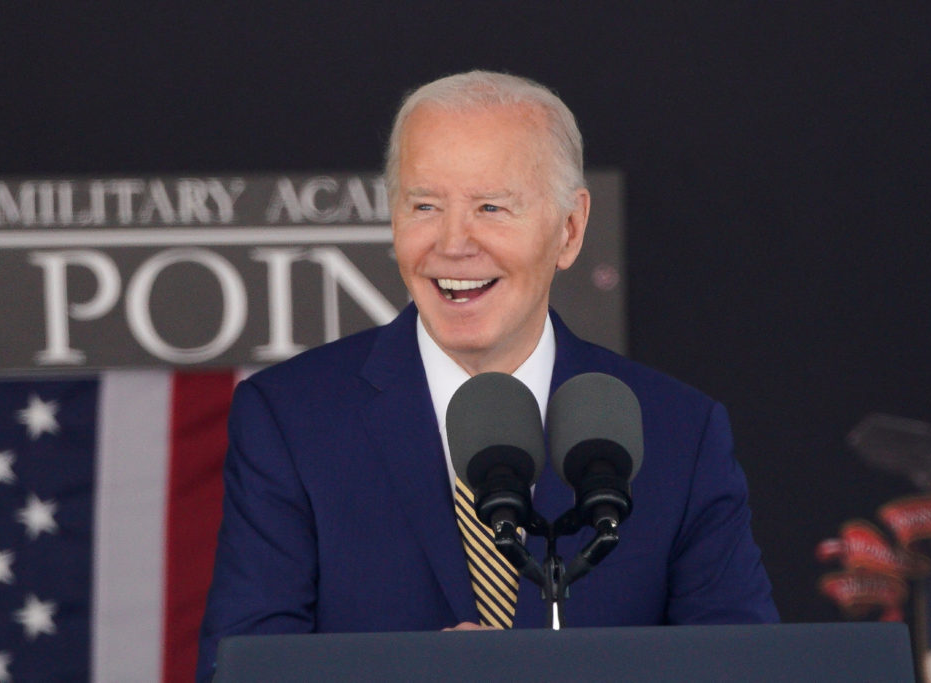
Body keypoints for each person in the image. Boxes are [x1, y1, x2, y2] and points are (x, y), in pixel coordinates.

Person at [196, 70, 777, 680]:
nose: (452, 244)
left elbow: (745, 670)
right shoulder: (292, 420)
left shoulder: (679, 433)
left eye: (490, 207)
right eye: (424, 206)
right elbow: (240, 671)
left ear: (570, 230)